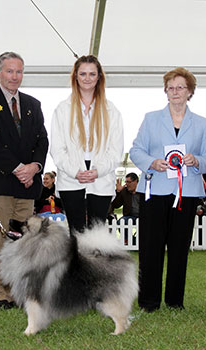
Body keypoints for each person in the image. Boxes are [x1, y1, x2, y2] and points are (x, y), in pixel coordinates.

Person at [0, 52, 48, 310]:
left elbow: (42, 140)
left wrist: (35, 167)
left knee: (20, 242)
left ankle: (18, 292)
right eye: (9, 71)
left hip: (27, 187)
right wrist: (18, 168)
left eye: (19, 72)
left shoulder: (33, 104)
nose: (15, 76)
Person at [129, 67, 206, 312]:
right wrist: (151, 162)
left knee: (179, 247)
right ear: (165, 91)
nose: (175, 92)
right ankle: (148, 302)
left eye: (180, 87)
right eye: (170, 87)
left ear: (190, 92)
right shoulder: (151, 119)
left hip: (187, 192)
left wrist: (198, 161)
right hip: (154, 190)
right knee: (150, 247)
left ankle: (175, 301)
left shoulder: (202, 124)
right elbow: (136, 150)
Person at [50, 55, 124, 234]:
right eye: (83, 73)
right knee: (76, 231)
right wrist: (76, 172)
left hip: (102, 176)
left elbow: (115, 151)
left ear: (99, 77)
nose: (87, 78)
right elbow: (57, 149)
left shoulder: (111, 110)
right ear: (75, 76)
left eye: (92, 74)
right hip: (71, 177)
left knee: (97, 234)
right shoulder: (62, 109)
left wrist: (98, 171)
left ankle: (96, 263)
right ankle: (76, 263)